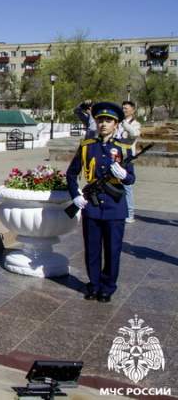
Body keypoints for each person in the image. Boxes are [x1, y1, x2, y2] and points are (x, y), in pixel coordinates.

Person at [67, 102, 135, 303]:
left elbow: (131, 179)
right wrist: (76, 195)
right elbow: (71, 174)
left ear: (116, 124)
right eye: (100, 120)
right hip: (92, 206)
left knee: (113, 250)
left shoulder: (123, 148)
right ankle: (94, 285)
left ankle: (108, 287)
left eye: (108, 121)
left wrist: (123, 174)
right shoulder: (87, 147)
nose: (104, 124)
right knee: (92, 249)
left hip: (115, 207)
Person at [117, 101, 141, 223]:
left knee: (127, 185)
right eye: (122, 108)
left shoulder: (135, 124)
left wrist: (123, 122)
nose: (123, 110)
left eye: (126, 108)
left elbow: (134, 134)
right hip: (115, 155)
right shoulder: (117, 123)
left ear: (132, 111)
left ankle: (130, 214)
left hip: (127, 156)